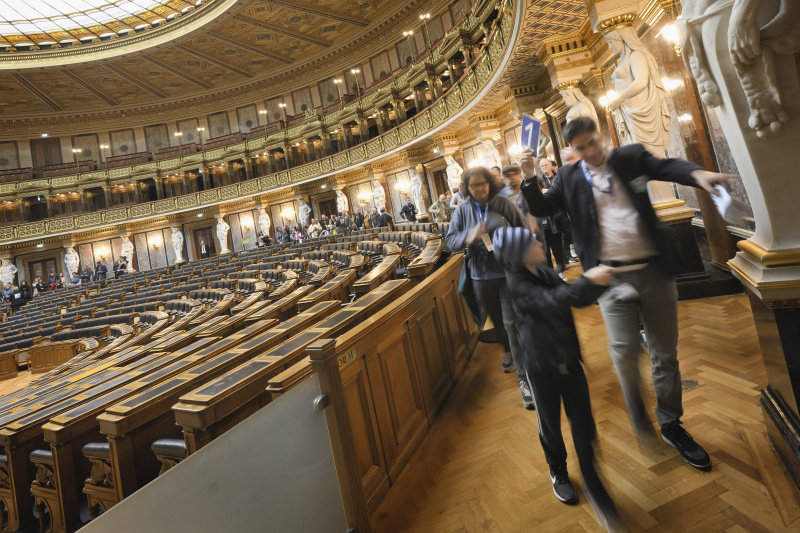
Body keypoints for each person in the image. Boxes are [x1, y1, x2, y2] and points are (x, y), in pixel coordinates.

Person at [519, 116, 735, 470]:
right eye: (581, 148)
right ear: (572, 150)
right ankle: (637, 411)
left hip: (654, 271)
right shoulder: (568, 177)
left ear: (600, 136)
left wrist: (700, 175)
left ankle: (670, 423)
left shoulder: (630, 157)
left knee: (665, 353)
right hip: (610, 278)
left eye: (592, 143)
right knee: (623, 354)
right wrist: (529, 178)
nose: (590, 152)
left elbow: (667, 166)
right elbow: (542, 208)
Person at [492, 226, 627, 529]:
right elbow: (552, 300)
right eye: (531, 242)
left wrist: (605, 278)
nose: (539, 242)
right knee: (550, 425)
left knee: (584, 426)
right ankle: (558, 470)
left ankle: (595, 487)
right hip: (541, 367)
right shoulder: (516, 283)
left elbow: (574, 299)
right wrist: (588, 279)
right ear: (520, 253)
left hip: (569, 361)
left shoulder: (545, 271)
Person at [445, 166, 533, 410]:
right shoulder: (463, 210)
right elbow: (450, 241)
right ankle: (508, 351)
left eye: (483, 184)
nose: (479, 189)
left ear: (489, 183)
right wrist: (470, 236)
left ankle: (524, 380)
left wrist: (506, 240)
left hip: (507, 271)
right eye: (474, 186)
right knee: (497, 320)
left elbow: (525, 231)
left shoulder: (503, 203)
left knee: (511, 322)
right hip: (481, 275)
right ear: (467, 187)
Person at [538, 158, 567, 274]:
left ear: (550, 165)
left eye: (546, 164)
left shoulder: (558, 177)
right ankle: (551, 274)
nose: (544, 166)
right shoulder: (539, 179)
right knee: (546, 253)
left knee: (559, 248)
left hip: (558, 216)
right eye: (542, 165)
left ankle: (562, 269)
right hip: (544, 222)